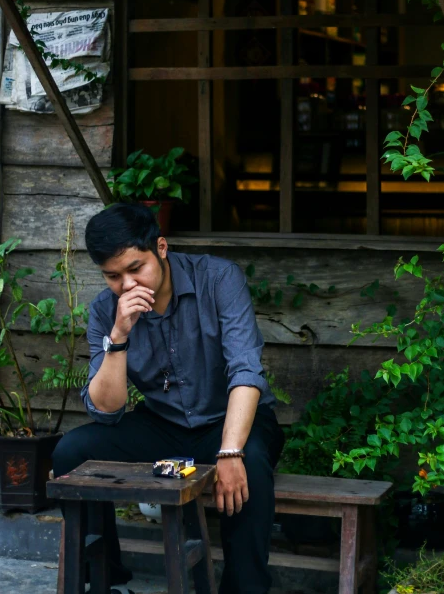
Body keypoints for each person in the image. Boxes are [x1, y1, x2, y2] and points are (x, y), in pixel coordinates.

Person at [52, 202, 284, 594]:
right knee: (71, 453)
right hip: (165, 424)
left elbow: (246, 371)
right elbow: (107, 411)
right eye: (112, 276)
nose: (126, 285)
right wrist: (119, 336)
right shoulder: (106, 311)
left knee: (253, 464)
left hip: (231, 421)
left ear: (161, 247)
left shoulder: (218, 279)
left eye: (135, 268)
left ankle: (244, 589)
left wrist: (230, 452)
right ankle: (104, 578)